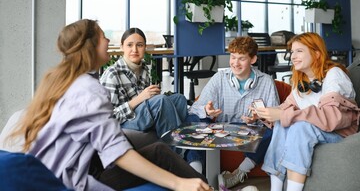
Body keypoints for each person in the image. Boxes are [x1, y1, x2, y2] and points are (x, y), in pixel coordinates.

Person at [8, 19, 210, 191]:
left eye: (139, 45)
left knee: (173, 107)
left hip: (69, 170)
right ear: (91, 45)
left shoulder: (64, 79)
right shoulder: (89, 89)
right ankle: (204, 184)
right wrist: (178, 183)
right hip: (74, 180)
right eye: (103, 37)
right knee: (159, 152)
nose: (107, 41)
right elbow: (117, 153)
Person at [255, 32, 360, 191]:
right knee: (282, 125)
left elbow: (332, 119)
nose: (292, 56)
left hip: (339, 133)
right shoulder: (302, 82)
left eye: (299, 51)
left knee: (299, 127)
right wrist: (265, 113)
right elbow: (284, 108)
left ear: (316, 53)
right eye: (292, 52)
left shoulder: (334, 76)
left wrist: (284, 115)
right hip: (316, 130)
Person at [185, 36, 280, 190]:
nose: (235, 63)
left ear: (253, 59)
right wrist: (206, 111)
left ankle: (239, 172)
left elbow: (275, 117)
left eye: (241, 59)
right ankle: (196, 175)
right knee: (194, 118)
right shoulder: (219, 78)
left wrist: (260, 118)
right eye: (233, 57)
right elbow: (194, 108)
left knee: (276, 131)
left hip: (251, 133)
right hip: (222, 129)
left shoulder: (266, 81)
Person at [100, 28, 187, 138]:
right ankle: (177, 151)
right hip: (125, 121)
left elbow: (146, 103)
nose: (134, 50)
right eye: (129, 45)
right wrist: (140, 98)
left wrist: (152, 96)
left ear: (145, 47)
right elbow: (107, 118)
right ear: (122, 47)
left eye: (140, 45)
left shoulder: (144, 69)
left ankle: (182, 144)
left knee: (180, 99)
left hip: (141, 114)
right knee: (161, 101)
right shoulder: (112, 74)